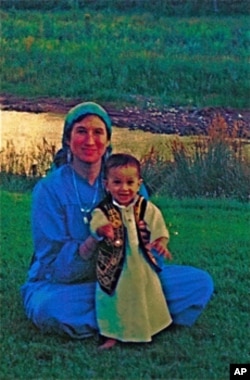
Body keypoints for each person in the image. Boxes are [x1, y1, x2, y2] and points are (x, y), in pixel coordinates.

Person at [21, 101, 214, 340]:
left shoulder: (125, 182)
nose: (90, 140)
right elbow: (53, 266)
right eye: (81, 131)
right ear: (68, 139)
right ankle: (136, 317)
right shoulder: (49, 190)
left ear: (108, 140)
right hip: (67, 287)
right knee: (50, 308)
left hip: (126, 281)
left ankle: (115, 317)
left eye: (98, 132)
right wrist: (90, 246)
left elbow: (151, 249)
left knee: (199, 283)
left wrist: (149, 248)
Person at [90, 153, 173, 350]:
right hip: (113, 268)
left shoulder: (146, 207)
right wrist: (103, 229)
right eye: (117, 182)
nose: (124, 188)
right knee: (112, 301)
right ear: (106, 184)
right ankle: (111, 334)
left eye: (130, 182)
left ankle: (148, 329)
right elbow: (96, 223)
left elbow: (158, 227)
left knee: (145, 295)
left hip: (141, 264)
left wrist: (160, 242)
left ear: (138, 184)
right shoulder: (104, 209)